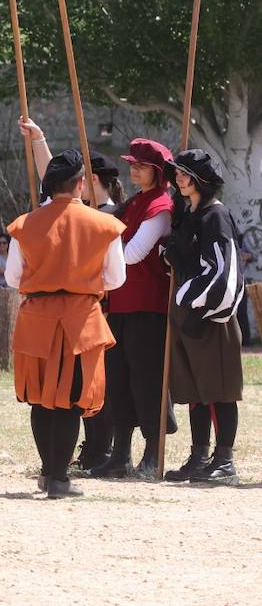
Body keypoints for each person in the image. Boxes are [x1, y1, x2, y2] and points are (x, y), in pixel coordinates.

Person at [5, 149, 125, 499]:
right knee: (71, 399)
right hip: (80, 318)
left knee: (41, 399)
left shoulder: (23, 225)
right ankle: (58, 477)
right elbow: (116, 278)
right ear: (80, 184)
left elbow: (13, 277)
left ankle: (50, 473)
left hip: (37, 319)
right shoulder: (104, 225)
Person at [89, 138, 176, 480]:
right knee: (119, 381)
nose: (133, 169)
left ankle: (153, 456)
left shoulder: (161, 206)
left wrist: (103, 246)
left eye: (140, 165)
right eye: (132, 164)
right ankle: (120, 455)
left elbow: (132, 254)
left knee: (148, 382)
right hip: (121, 306)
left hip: (149, 308)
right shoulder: (134, 203)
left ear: (156, 172)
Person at [161, 149, 245, 485]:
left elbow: (225, 271)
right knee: (194, 390)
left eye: (185, 173)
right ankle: (199, 455)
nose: (179, 179)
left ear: (201, 179)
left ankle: (224, 461)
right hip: (187, 311)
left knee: (219, 390)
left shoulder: (215, 216)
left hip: (211, 316)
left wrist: (192, 300)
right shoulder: (188, 214)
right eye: (177, 173)